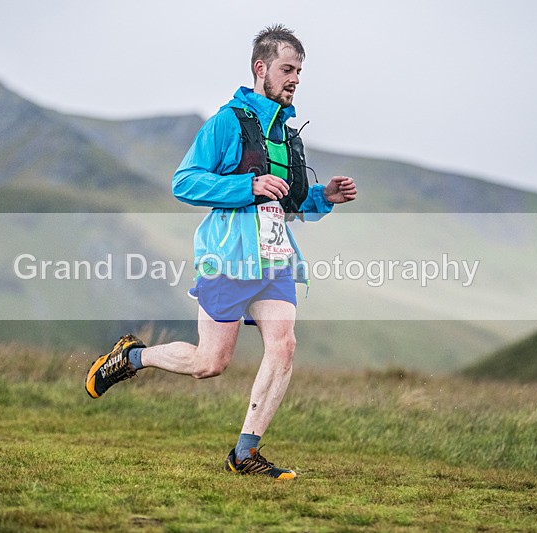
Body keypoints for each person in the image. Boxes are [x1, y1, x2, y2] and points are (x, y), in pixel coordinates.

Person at [85, 24, 357, 480]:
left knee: (284, 346)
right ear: (260, 68)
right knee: (210, 363)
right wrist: (246, 185)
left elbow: (290, 204)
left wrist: (324, 196)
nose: (294, 79)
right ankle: (131, 358)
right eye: (287, 69)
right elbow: (184, 182)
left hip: (274, 258)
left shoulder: (288, 135)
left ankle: (245, 455)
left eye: (299, 72)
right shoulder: (227, 123)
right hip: (228, 256)